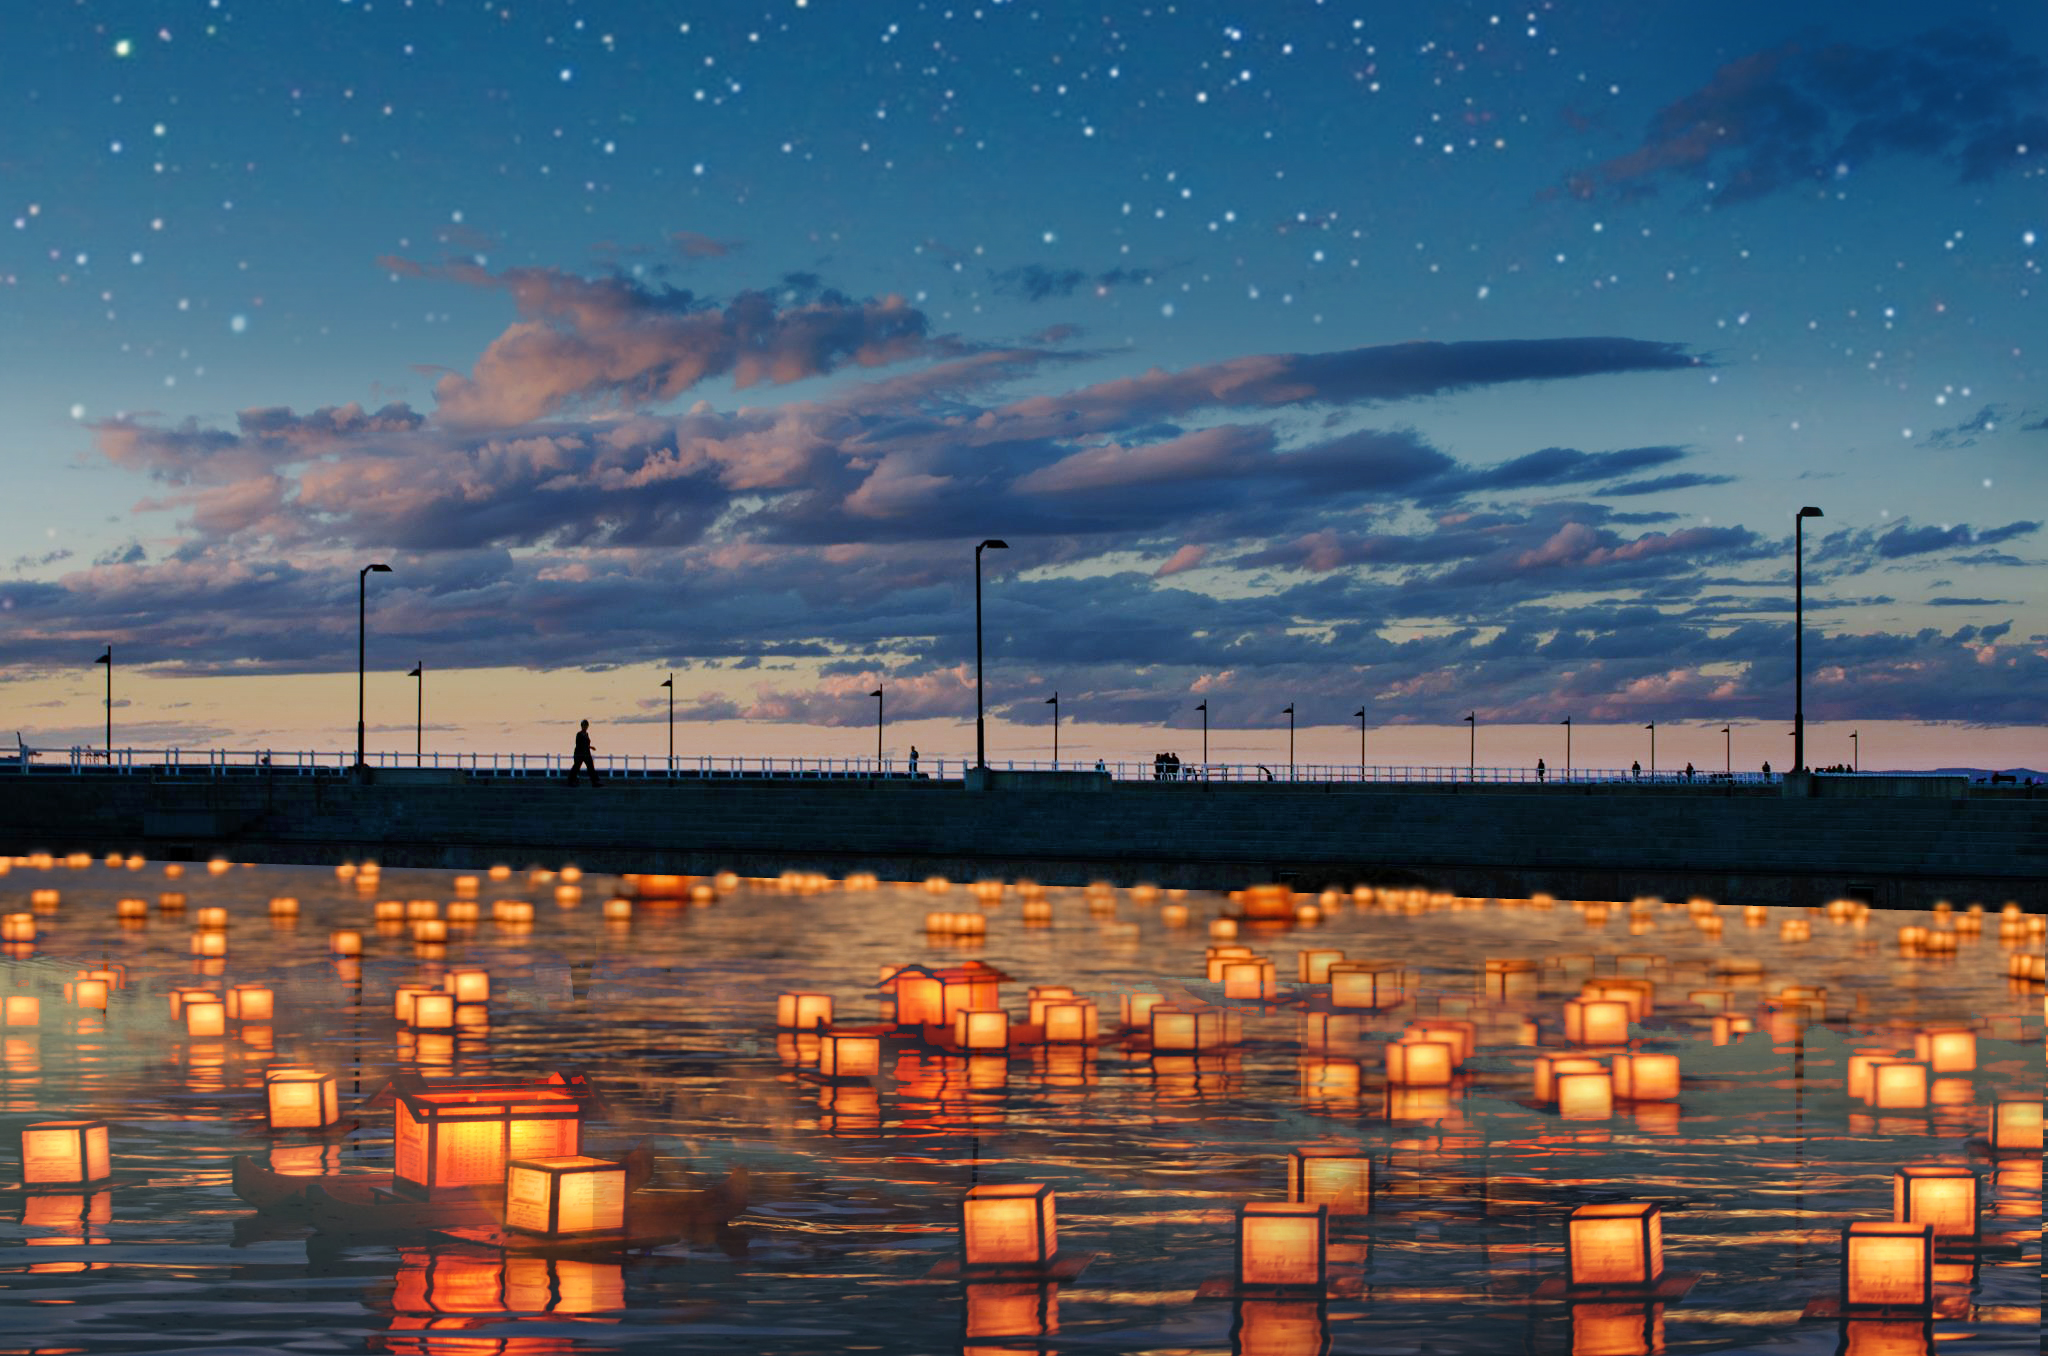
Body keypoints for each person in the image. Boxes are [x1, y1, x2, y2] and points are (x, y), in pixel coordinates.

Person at [567, 720, 601, 787]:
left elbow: (586, 744)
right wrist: (590, 747)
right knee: (576, 767)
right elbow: (579, 744)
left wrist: (589, 747)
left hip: (586, 753)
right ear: (581, 726)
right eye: (583, 725)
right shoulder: (579, 734)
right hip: (580, 753)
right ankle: (571, 781)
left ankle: (594, 782)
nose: (585, 727)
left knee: (591, 767)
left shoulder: (587, 734)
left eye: (586, 725)